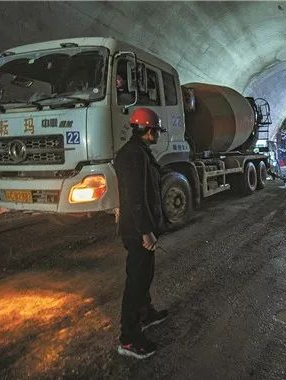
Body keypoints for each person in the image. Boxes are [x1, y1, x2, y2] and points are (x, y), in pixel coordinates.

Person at [114, 107, 169, 359]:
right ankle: (129, 338)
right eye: (156, 131)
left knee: (144, 275)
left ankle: (145, 313)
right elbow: (136, 197)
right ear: (148, 130)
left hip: (139, 226)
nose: (157, 135)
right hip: (138, 230)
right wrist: (146, 231)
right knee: (136, 282)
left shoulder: (137, 152)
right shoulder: (133, 156)